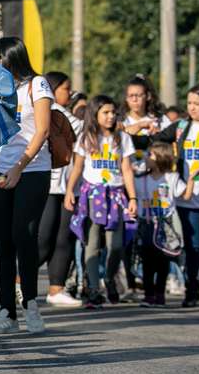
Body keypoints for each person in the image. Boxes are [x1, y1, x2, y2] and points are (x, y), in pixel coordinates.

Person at [0, 37, 52, 334]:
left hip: (32, 169)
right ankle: (6, 312)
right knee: (3, 243)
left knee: (24, 235)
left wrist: (19, 167)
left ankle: (31, 304)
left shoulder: (37, 84)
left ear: (12, 57)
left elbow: (43, 129)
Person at [65, 95, 137, 309]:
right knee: (92, 244)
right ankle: (94, 288)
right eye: (106, 112)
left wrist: (132, 197)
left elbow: (126, 169)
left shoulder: (122, 138)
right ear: (95, 114)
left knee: (115, 245)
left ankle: (110, 277)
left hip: (115, 195)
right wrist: (70, 191)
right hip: (92, 195)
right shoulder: (86, 138)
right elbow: (77, 167)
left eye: (113, 112)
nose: (111, 116)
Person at [144, 85, 199, 307]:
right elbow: (156, 141)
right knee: (193, 246)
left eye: (197, 104)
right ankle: (192, 289)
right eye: (189, 103)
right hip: (186, 197)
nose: (191, 108)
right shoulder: (181, 127)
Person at [121, 75, 171, 299]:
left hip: (154, 185)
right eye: (131, 96)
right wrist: (139, 126)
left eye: (139, 96)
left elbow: (172, 144)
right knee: (129, 238)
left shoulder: (159, 120)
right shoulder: (120, 119)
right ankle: (130, 283)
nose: (135, 100)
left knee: (153, 238)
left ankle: (152, 285)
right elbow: (116, 134)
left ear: (147, 96)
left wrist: (157, 136)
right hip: (128, 184)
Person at [37, 71, 83, 308]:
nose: (70, 93)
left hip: (67, 187)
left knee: (62, 238)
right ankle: (18, 281)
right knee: (44, 238)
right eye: (66, 88)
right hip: (47, 183)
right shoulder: (50, 112)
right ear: (53, 89)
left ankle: (57, 288)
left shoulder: (67, 115)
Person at [134, 142, 196, 307]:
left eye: (151, 155)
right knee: (147, 260)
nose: (147, 158)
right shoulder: (140, 178)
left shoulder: (172, 177)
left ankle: (159, 294)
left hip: (166, 224)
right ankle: (148, 294)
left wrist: (191, 178)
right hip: (146, 222)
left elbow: (186, 195)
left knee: (163, 260)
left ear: (161, 158)